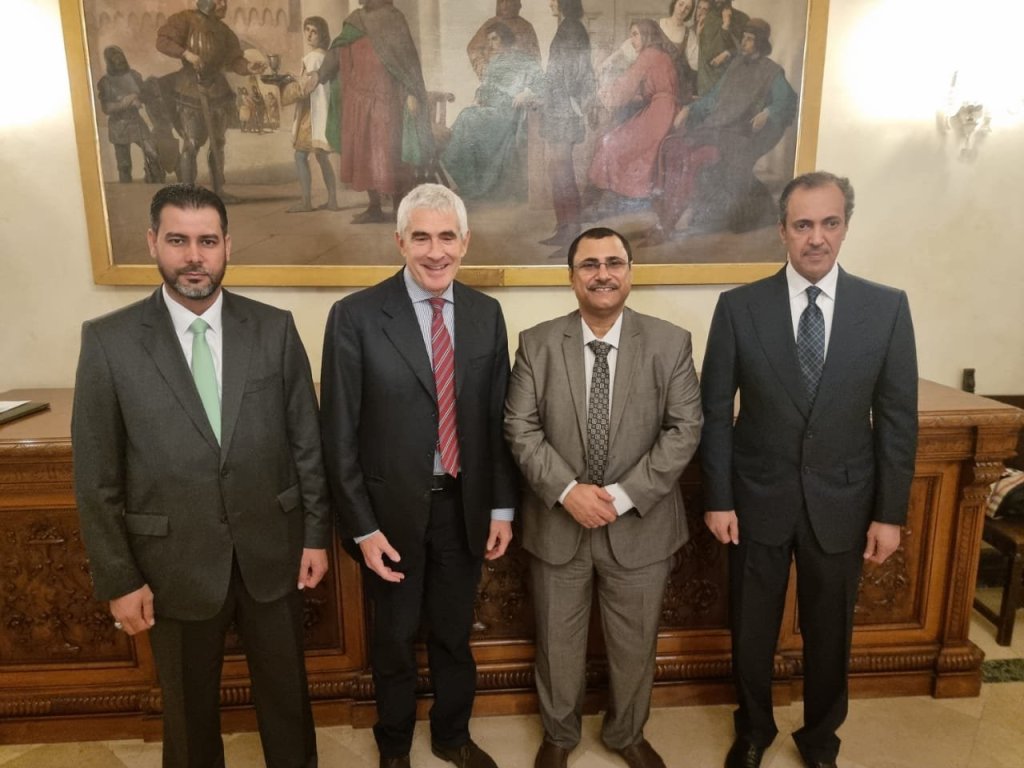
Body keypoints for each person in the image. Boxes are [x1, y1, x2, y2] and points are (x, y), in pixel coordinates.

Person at [72, 183, 330, 768]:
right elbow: (96, 477)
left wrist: (316, 535)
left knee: (288, 702)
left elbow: (306, 444)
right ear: (152, 243)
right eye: (178, 241)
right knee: (188, 718)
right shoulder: (109, 342)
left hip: (272, 554)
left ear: (227, 246)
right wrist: (119, 578)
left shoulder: (274, 328)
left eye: (207, 241)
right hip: (172, 565)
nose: (194, 256)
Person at [700, 172, 918, 768]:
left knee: (830, 634)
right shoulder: (739, 308)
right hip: (754, 502)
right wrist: (718, 498)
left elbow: (897, 420)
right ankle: (753, 730)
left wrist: (889, 514)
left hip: (843, 503)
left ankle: (821, 739)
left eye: (829, 223)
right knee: (752, 630)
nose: (816, 237)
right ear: (782, 231)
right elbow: (715, 413)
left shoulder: (886, 308)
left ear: (845, 227)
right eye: (802, 224)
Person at [320, 183, 518, 768]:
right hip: (389, 516)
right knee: (394, 639)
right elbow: (338, 435)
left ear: (465, 242)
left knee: (455, 634)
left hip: (464, 507)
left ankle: (453, 737)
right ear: (400, 242)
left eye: (447, 237)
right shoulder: (355, 316)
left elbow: (497, 420)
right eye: (422, 237)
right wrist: (361, 528)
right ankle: (395, 744)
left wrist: (501, 507)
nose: (436, 251)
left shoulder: (485, 314)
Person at [504, 227, 703, 768]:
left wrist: (620, 495)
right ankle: (559, 735)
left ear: (630, 273)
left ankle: (626, 733)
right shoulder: (537, 343)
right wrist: (568, 492)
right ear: (571, 278)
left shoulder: (670, 342)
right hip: (558, 524)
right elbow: (519, 427)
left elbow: (684, 429)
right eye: (589, 265)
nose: (602, 274)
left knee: (636, 644)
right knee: (557, 643)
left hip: (640, 524)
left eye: (614, 263)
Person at [649, 18, 796, 242]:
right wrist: (689, 109)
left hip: (741, 132)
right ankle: (668, 217)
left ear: (760, 43)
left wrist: (768, 112)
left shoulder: (772, 71)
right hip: (718, 125)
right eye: (743, 38)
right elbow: (713, 97)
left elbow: (787, 100)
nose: (743, 43)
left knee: (696, 160)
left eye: (749, 39)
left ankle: (670, 223)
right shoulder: (736, 65)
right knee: (672, 148)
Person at [318, 0, 434, 224]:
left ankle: (400, 207)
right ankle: (374, 207)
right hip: (359, 100)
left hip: (387, 100)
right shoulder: (355, 20)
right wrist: (318, 75)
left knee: (390, 153)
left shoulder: (394, 18)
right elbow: (336, 52)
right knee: (364, 154)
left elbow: (407, 61)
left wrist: (411, 92)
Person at [156, 0, 264, 197]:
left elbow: (234, 60)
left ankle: (219, 190)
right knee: (191, 143)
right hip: (190, 88)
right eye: (219, 0)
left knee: (218, 142)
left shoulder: (224, 31)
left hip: (217, 90)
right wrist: (186, 54)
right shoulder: (185, 19)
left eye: (225, 1)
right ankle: (187, 193)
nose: (223, 4)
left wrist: (248, 67)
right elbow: (162, 41)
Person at [585, 20, 681, 213]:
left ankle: (593, 205)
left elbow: (625, 86)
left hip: (658, 115)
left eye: (636, 34)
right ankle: (598, 203)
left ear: (647, 35)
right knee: (618, 139)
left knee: (609, 143)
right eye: (631, 35)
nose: (632, 40)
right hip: (668, 110)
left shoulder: (648, 55)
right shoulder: (663, 55)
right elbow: (658, 89)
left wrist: (602, 96)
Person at [442, 22, 543, 200]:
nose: (491, 44)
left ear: (505, 38)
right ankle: (469, 184)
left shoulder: (525, 60)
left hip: (509, 113)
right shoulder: (495, 61)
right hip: (492, 111)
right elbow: (485, 87)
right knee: (468, 114)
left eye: (494, 39)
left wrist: (526, 93)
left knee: (467, 118)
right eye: (489, 40)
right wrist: (477, 100)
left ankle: (470, 185)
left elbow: (541, 82)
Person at [538, 0, 596, 247]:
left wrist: (569, 97)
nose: (550, 3)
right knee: (557, 169)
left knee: (562, 169)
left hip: (564, 109)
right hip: (558, 107)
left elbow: (574, 71)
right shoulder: (569, 26)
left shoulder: (571, 27)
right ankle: (563, 226)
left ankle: (571, 229)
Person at [280, 16, 339, 213]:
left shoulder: (313, 57)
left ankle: (306, 202)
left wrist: (285, 87)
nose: (309, 35)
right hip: (321, 112)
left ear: (322, 35)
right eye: (307, 30)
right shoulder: (326, 56)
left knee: (300, 155)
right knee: (322, 157)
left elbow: (305, 87)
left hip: (311, 113)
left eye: (314, 31)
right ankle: (333, 201)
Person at [96, 45, 164, 183]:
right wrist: (128, 100)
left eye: (121, 58)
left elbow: (145, 95)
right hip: (118, 126)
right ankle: (126, 191)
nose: (119, 62)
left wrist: (142, 96)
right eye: (115, 59)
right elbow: (107, 108)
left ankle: (155, 182)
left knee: (153, 152)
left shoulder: (134, 76)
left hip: (136, 121)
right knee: (124, 165)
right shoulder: (106, 82)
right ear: (110, 62)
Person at [466, 0, 541, 80]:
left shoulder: (526, 26)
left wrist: (528, 77)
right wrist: (485, 71)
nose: (505, 5)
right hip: (496, 77)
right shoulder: (490, 24)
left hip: (520, 79)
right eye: (501, 1)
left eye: (509, 1)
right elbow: (473, 49)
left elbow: (535, 56)